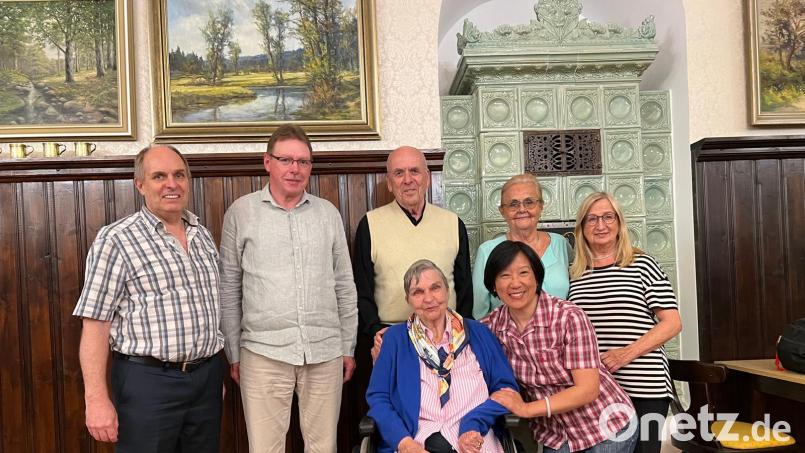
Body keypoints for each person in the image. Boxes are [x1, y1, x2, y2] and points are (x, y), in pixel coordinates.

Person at [73, 145, 225, 453]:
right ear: (140, 184)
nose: (172, 183)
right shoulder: (116, 239)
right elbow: (95, 325)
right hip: (148, 383)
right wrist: (96, 400)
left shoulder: (202, 235)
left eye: (179, 174)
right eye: (159, 176)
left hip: (206, 381)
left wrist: (210, 374)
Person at [219, 125, 358, 453]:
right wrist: (234, 351)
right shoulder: (242, 212)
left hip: (325, 352)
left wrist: (347, 345)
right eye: (286, 160)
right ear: (268, 162)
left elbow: (344, 285)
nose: (295, 169)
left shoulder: (328, 214)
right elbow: (228, 288)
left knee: (323, 447)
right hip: (262, 352)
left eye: (304, 162)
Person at [483, 240, 638, 453]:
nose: (515, 283)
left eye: (523, 273)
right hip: (555, 437)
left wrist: (527, 409)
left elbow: (587, 390)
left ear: (537, 277)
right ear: (493, 284)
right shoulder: (490, 327)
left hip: (605, 428)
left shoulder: (569, 317)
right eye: (504, 275)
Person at [567, 192, 682, 453]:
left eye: (608, 217)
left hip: (645, 384)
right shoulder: (575, 274)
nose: (601, 225)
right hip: (599, 389)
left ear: (619, 223)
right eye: (592, 219)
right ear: (582, 228)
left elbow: (672, 323)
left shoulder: (642, 264)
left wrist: (625, 354)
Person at [367, 260, 519, 453]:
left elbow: (507, 389)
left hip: (475, 439)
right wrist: (404, 443)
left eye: (435, 288)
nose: (428, 298)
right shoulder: (395, 340)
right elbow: (378, 398)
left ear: (447, 291)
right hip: (417, 440)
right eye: (418, 292)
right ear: (408, 299)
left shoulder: (479, 333)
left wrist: (474, 424)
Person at [353, 145, 474, 340]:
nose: (408, 180)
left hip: (446, 334)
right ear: (390, 183)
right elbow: (361, 290)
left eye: (414, 171)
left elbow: (465, 289)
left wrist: (463, 332)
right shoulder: (370, 224)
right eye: (399, 173)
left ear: (426, 178)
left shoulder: (452, 223)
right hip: (390, 334)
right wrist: (375, 331)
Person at [472, 174, 571, 319]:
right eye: (513, 204)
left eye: (529, 202)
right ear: (502, 211)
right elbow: (480, 312)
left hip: (561, 336)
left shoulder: (561, 244)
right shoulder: (487, 251)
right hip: (505, 338)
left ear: (541, 206)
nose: (522, 209)